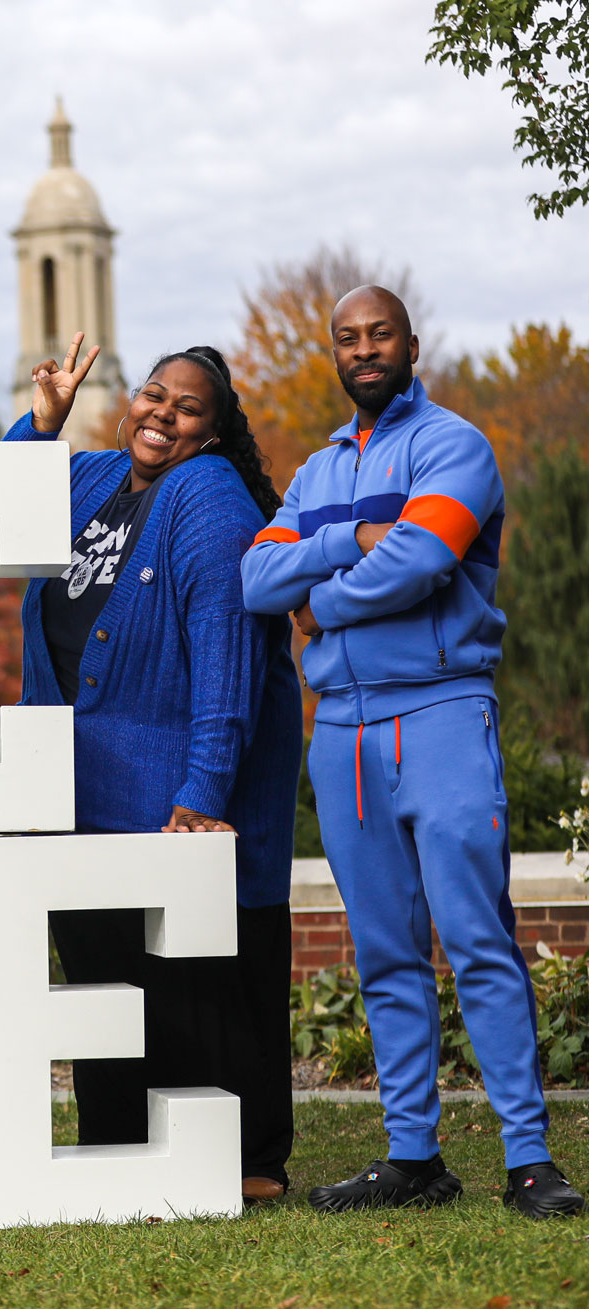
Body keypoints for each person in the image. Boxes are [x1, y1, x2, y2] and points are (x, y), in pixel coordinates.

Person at [243, 286, 583, 1220]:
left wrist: (325, 596)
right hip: (343, 731)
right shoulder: (316, 473)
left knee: (477, 938)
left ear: (409, 343)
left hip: (440, 712)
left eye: (378, 333)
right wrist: (349, 536)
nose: (363, 349)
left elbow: (425, 558)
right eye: (347, 338)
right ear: (336, 354)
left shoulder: (452, 446)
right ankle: (413, 1157)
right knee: (385, 952)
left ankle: (529, 1158)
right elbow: (255, 575)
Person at [3, 333, 302, 1201]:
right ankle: (120, 1144)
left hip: (164, 781)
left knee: (186, 979)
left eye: (187, 406)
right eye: (152, 394)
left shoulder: (205, 494)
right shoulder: (93, 478)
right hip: (77, 778)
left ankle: (242, 1158)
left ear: (211, 431)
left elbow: (228, 649)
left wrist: (203, 792)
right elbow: (0, 511)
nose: (162, 413)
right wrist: (42, 423)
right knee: (102, 968)